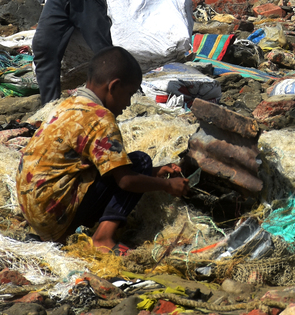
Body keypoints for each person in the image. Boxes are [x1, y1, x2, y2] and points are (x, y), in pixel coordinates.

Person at [16, 46, 189, 251]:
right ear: (114, 86)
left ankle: (74, 233)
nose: (128, 103)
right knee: (140, 161)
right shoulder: (100, 118)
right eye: (129, 94)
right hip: (57, 218)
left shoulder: (68, 105)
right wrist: (168, 186)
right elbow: (125, 181)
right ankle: (103, 238)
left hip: (37, 214)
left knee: (131, 166)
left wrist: (156, 173)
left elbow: (105, 170)